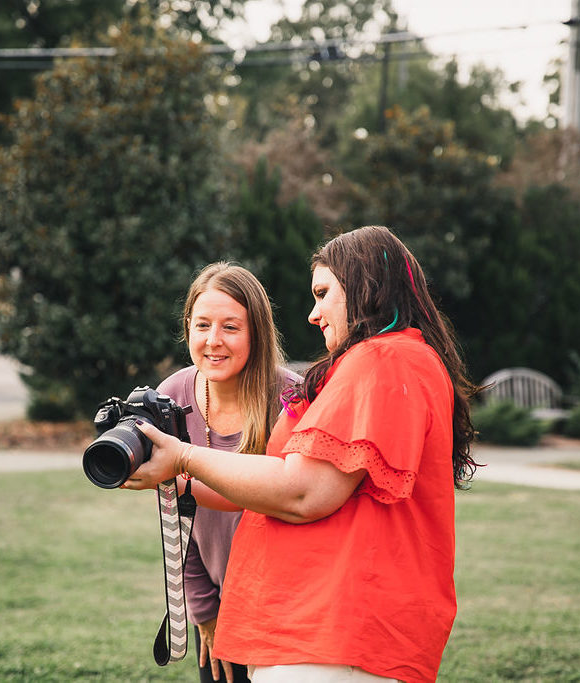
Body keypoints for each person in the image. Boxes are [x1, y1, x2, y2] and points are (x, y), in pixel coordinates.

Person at [123, 226, 480, 682]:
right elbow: (274, 484)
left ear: (363, 285)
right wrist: (174, 477)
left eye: (323, 293)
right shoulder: (380, 360)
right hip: (315, 632)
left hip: (334, 635)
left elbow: (303, 493)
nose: (313, 314)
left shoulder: (381, 362)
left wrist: (185, 457)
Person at [153, 262, 301, 683]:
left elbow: (298, 502)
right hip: (219, 606)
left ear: (257, 332)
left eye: (231, 328)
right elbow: (175, 516)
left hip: (284, 607)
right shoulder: (172, 396)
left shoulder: (290, 396)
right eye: (202, 325)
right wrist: (204, 611)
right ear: (187, 328)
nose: (213, 341)